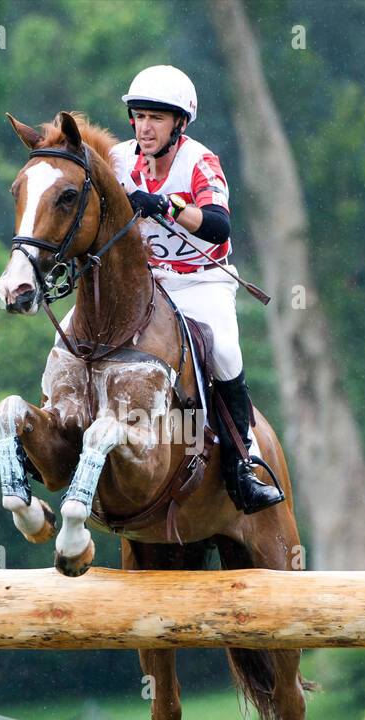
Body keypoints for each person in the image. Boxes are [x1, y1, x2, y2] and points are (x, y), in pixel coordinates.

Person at [110, 64, 284, 515]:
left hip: (199, 279)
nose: (145, 128)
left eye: (157, 118)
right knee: (74, 326)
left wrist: (169, 204)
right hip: (145, 283)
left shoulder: (200, 161)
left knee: (224, 350)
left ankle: (243, 464)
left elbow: (219, 224)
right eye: (140, 116)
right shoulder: (118, 161)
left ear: (179, 124)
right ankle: (52, 423)